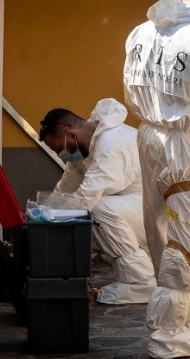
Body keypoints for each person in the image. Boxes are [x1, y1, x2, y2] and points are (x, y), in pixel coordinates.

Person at [123, 0, 190, 359]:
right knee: (183, 236)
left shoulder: (141, 33)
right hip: (184, 142)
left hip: (147, 135)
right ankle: (172, 334)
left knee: (159, 231)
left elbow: (131, 89)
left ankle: (184, 321)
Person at [39, 99, 156, 304]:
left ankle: (141, 283)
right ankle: (141, 271)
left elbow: (85, 199)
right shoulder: (84, 149)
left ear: (71, 135)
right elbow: (66, 189)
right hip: (139, 208)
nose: (60, 155)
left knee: (97, 210)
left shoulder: (111, 144)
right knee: (90, 215)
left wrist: (48, 222)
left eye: (58, 149)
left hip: (157, 211)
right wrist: (41, 213)